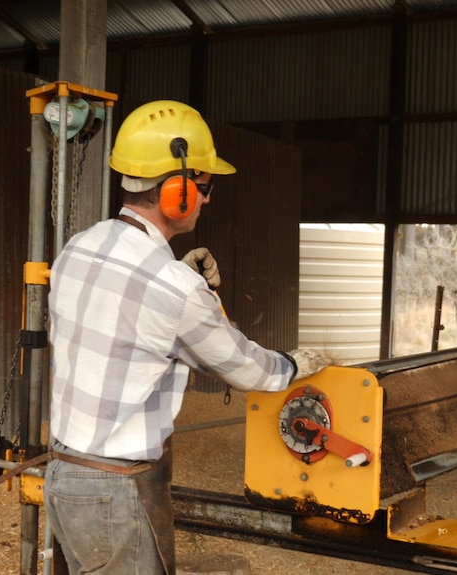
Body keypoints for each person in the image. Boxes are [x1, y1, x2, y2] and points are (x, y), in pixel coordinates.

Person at [44, 100, 329, 575]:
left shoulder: (78, 247)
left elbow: (124, 321)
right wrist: (295, 363)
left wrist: (181, 279)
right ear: (176, 190)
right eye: (205, 186)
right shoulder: (174, 290)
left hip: (62, 475)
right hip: (116, 489)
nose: (208, 198)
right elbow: (249, 370)